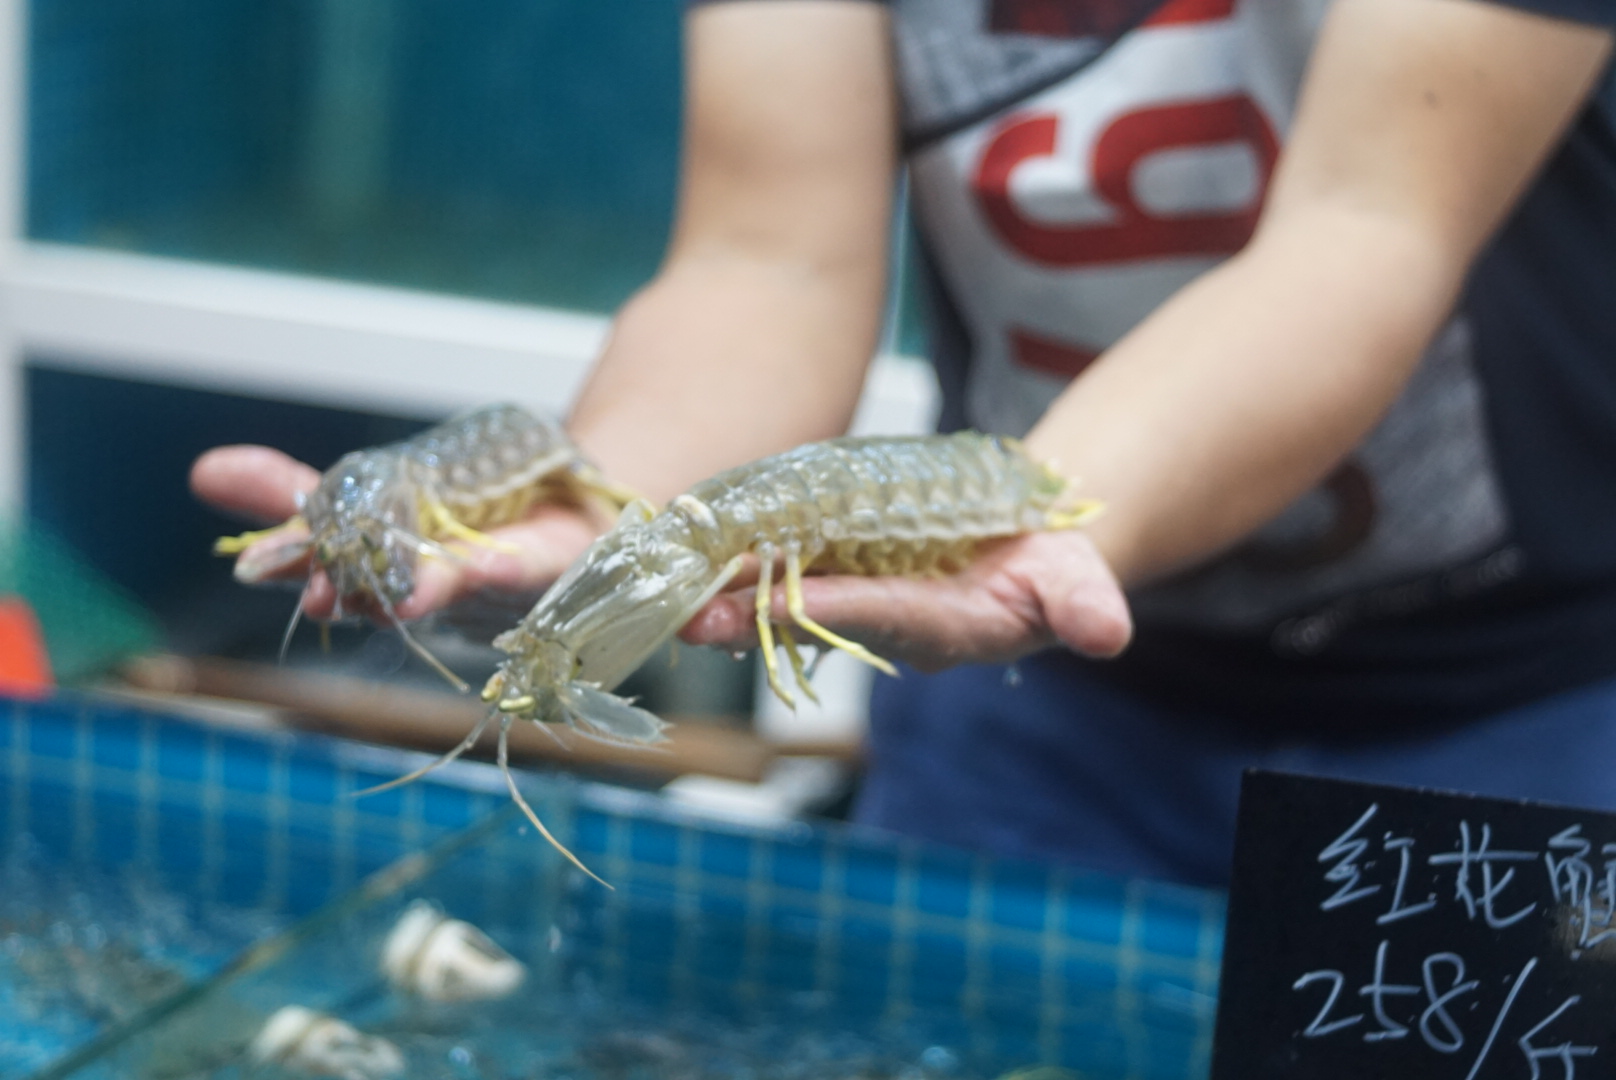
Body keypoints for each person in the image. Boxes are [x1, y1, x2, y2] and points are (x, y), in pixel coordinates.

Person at [193, 0, 1616, 887]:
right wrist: (606, 500)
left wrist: (1051, 518)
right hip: (1043, 718)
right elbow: (768, 262)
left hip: (1526, 696)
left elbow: (1363, 234)